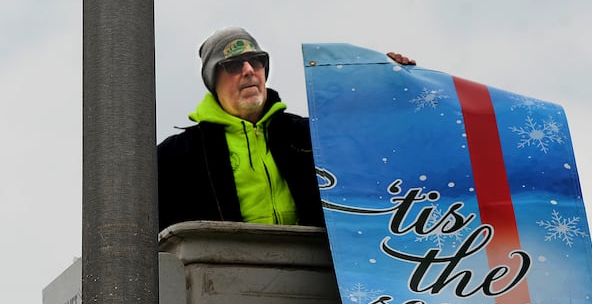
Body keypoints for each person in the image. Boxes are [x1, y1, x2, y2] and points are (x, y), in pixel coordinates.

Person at [157, 27, 415, 232]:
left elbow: (377, 145)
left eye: (256, 62)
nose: (248, 71)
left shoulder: (311, 136)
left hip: (310, 284)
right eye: (234, 65)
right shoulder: (176, 156)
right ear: (213, 80)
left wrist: (393, 87)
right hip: (218, 288)